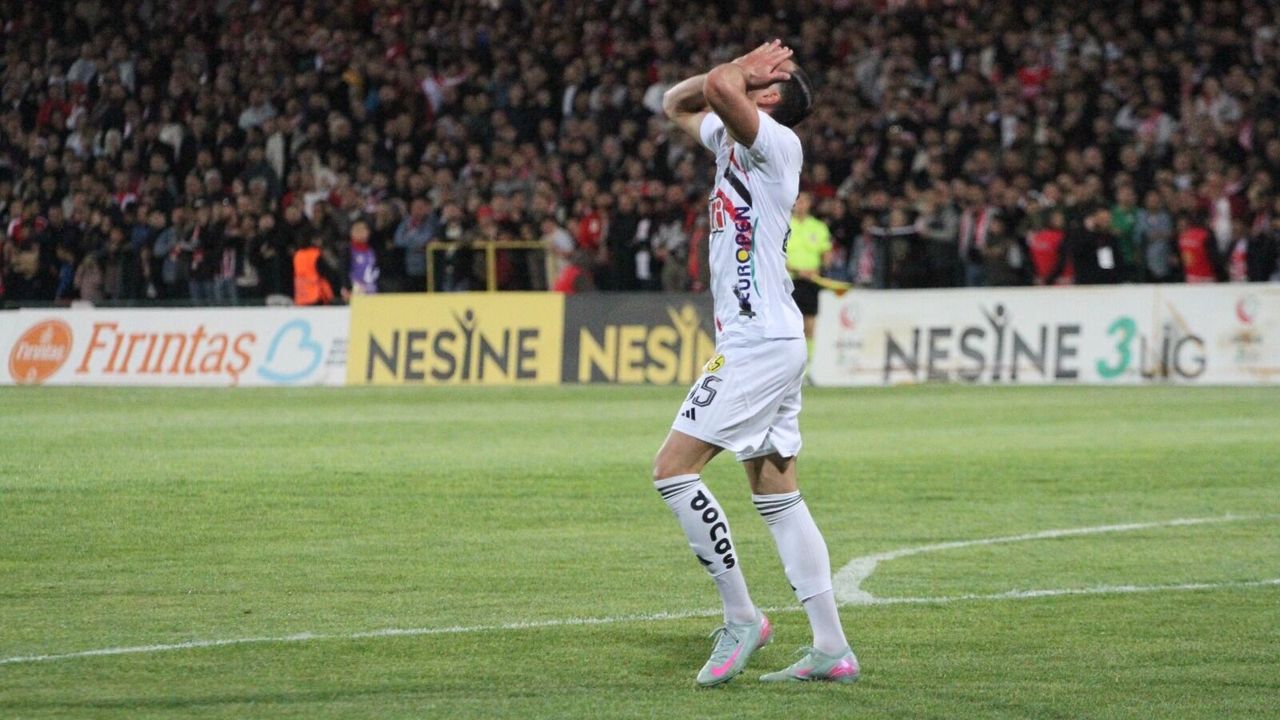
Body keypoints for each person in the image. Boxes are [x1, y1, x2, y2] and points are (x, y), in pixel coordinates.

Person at [658, 40, 857, 687]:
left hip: (759, 342)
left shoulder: (777, 144)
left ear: (769, 98)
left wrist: (740, 70)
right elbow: (676, 103)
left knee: (673, 471)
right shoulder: (729, 138)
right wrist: (737, 75)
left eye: (768, 78)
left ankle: (742, 617)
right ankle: (831, 648)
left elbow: (720, 87)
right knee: (776, 489)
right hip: (765, 337)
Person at [786, 191, 832, 346]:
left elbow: (827, 253)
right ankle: (792, 358)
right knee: (790, 324)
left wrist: (820, 269)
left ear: (810, 204)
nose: (801, 205)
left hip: (811, 281)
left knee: (810, 324)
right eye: (798, 201)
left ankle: (809, 359)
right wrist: (797, 271)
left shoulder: (819, 227)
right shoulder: (784, 226)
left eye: (804, 201)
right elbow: (775, 255)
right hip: (788, 281)